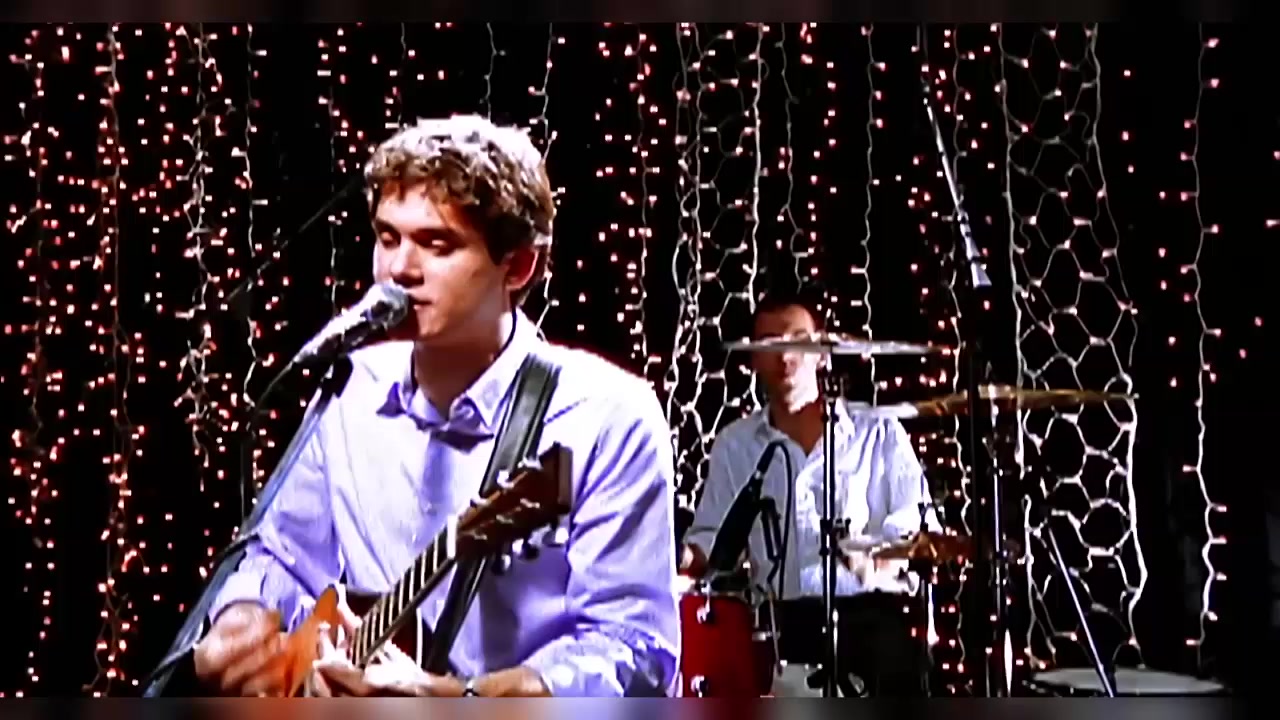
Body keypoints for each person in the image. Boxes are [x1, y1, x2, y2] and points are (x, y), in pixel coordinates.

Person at [190, 115, 681, 697]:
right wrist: (245, 614)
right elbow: (283, 556)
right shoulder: (351, 386)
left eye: (436, 244)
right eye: (388, 237)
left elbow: (635, 650)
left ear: (518, 266)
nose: (399, 270)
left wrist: (461, 699)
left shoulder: (607, 416)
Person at [680, 286, 938, 697]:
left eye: (798, 341)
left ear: (822, 352)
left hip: (871, 621)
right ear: (753, 359)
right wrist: (679, 557)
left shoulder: (878, 431)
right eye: (770, 344)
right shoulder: (736, 444)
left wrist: (875, 561)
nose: (785, 356)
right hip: (781, 628)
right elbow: (714, 539)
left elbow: (916, 527)